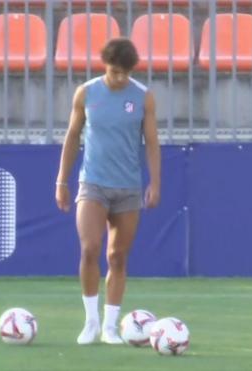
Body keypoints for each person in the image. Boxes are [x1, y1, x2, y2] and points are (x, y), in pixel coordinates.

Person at [55, 37, 161, 345]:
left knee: (117, 256)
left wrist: (155, 182)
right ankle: (90, 322)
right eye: (115, 72)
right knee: (89, 248)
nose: (119, 78)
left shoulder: (143, 97)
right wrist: (61, 180)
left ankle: (111, 326)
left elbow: (152, 143)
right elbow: (73, 136)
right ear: (105, 66)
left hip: (128, 186)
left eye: (125, 73)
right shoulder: (87, 93)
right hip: (93, 183)